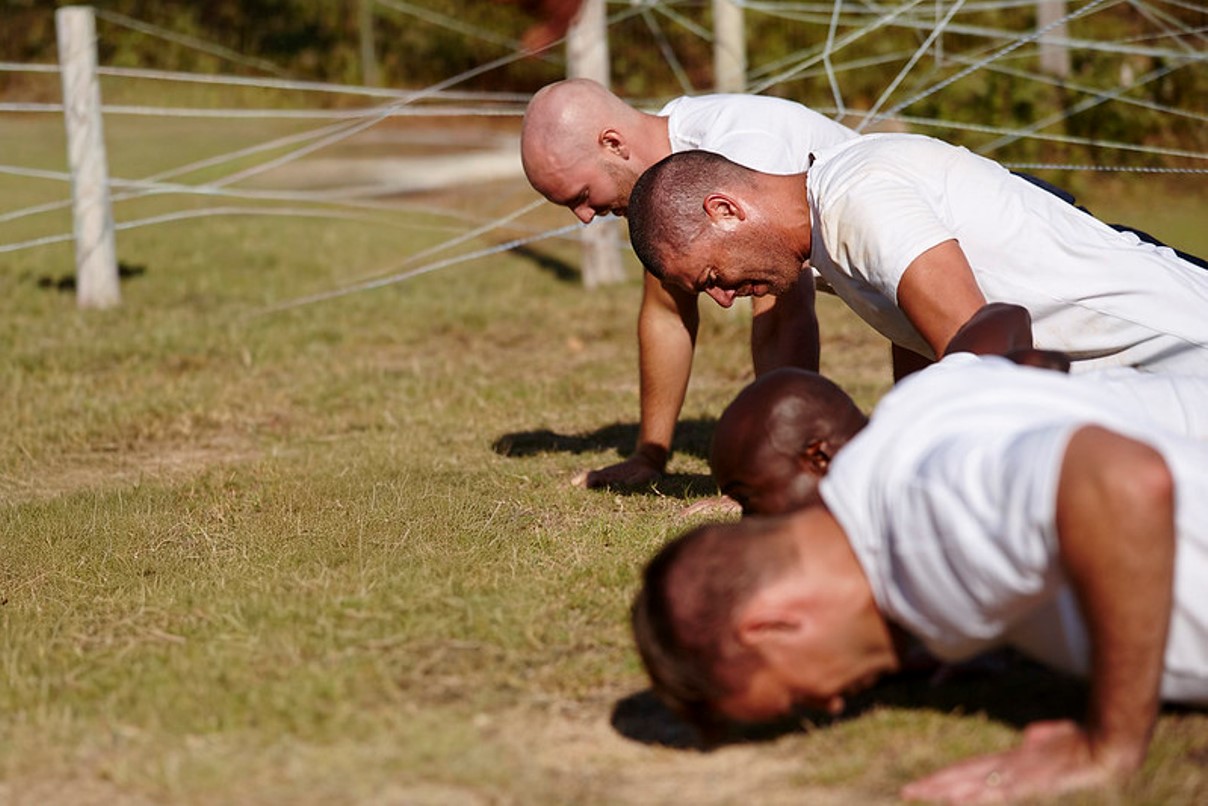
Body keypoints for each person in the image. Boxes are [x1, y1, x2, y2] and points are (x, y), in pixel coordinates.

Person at [632, 349, 1208, 803]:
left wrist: (1106, 745)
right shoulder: (903, 425)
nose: (833, 706)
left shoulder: (919, 530)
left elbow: (1122, 482)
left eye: (799, 697)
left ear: (772, 624)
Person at [627, 135, 1208, 376]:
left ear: (725, 210)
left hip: (1184, 351)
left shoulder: (854, 198)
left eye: (711, 276)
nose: (724, 297)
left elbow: (987, 356)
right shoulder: (827, 228)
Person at [521, 78, 856, 488]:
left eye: (583, 194)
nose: (585, 216)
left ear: (612, 143)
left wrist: (776, 478)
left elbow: (783, 316)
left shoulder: (741, 146)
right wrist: (649, 456)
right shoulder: (666, 164)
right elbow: (665, 312)